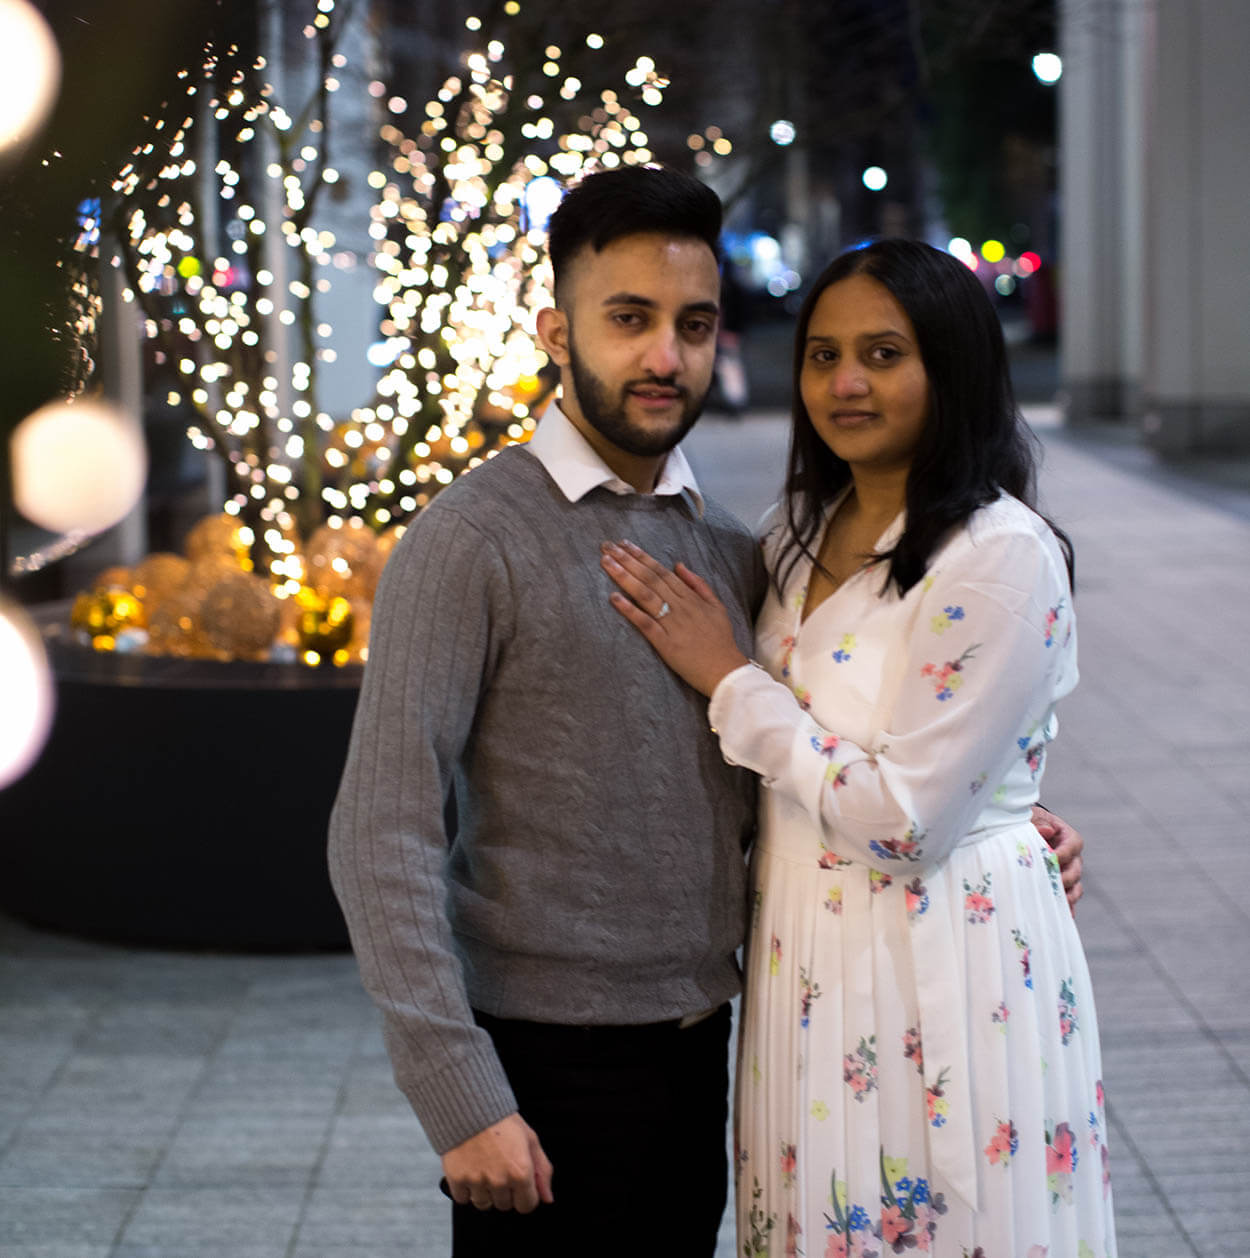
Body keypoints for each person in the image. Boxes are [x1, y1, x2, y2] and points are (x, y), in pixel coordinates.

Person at [328, 168, 1087, 1258]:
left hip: (722, 1040)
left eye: (690, 325)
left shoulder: (740, 547)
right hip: (544, 1061)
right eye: (627, 319)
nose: (662, 357)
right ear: (555, 329)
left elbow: (813, 746)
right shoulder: (471, 538)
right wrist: (459, 1094)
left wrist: (1011, 824)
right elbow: (379, 828)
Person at [601, 239, 1114, 1257]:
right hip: (805, 947)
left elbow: (907, 820)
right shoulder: (796, 528)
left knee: (938, 1216)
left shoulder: (997, 556)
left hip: (938, 951)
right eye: (822, 354)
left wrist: (729, 676)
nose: (844, 383)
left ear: (950, 368)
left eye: (883, 354)